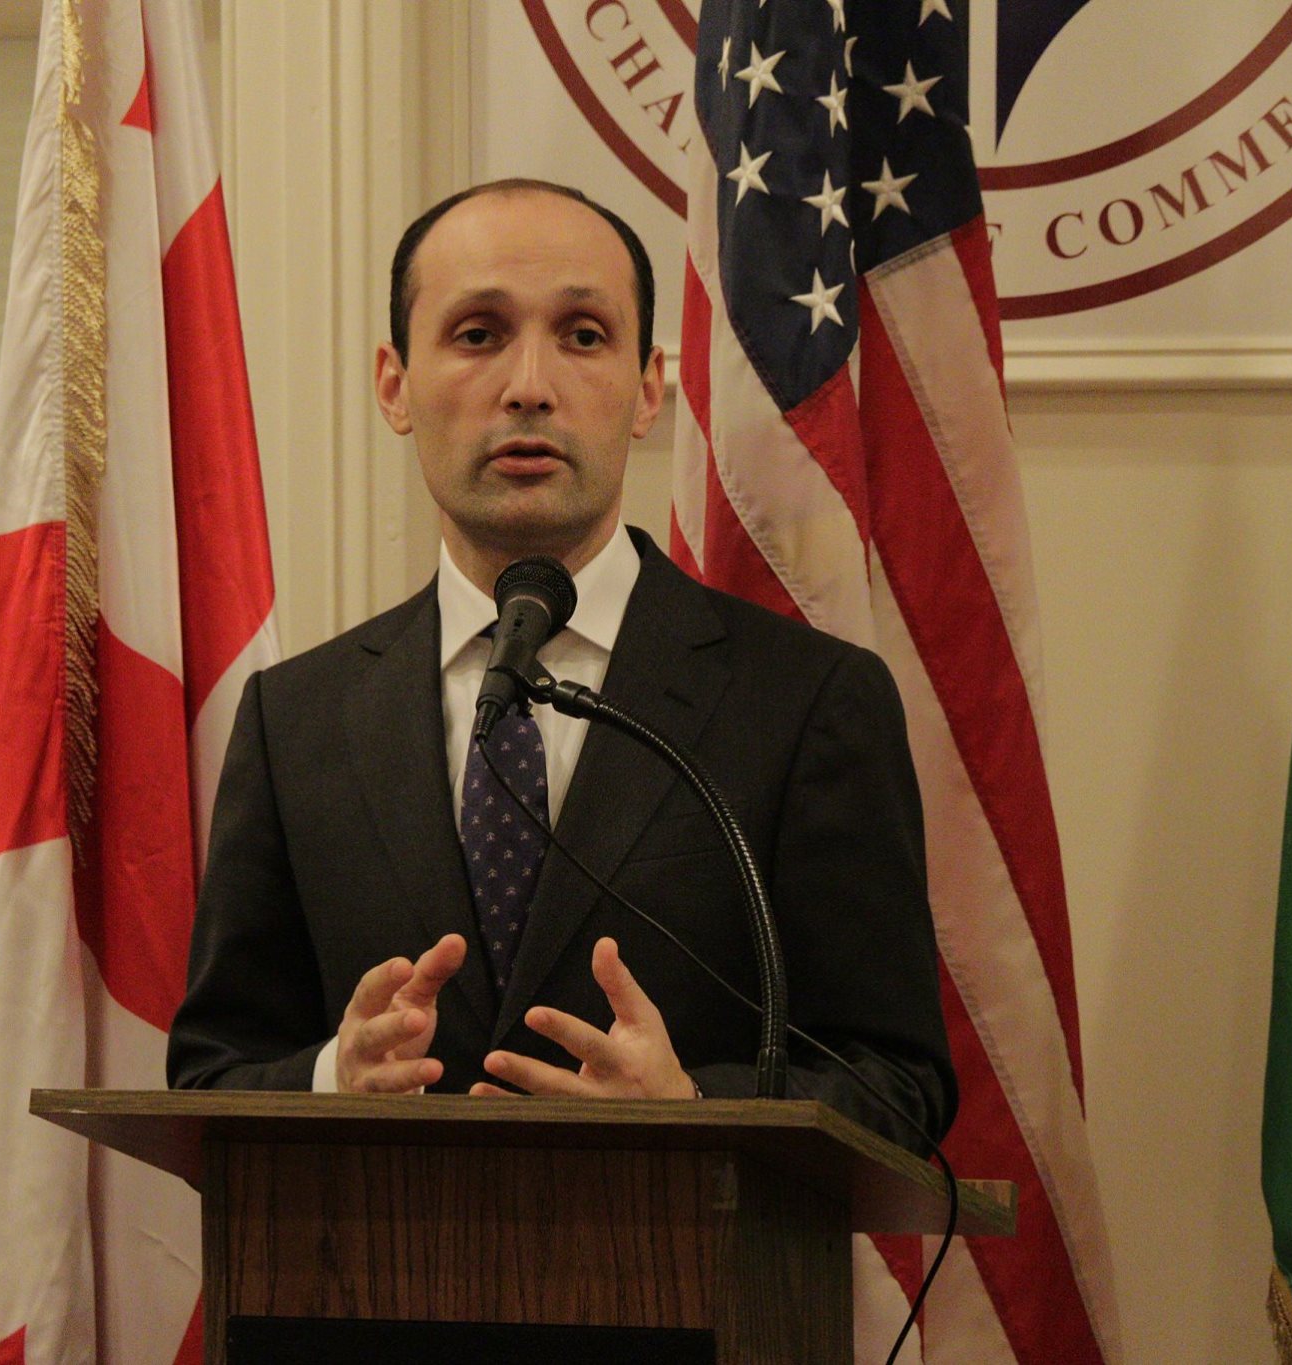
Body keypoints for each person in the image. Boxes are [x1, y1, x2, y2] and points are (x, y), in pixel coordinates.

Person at [166, 179, 956, 1151]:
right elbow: (212, 1070)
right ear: (394, 385)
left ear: (648, 389)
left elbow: (897, 1084)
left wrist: (691, 1110)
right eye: (477, 334)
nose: (529, 386)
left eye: (583, 336)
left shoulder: (808, 700)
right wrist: (336, 1077)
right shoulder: (295, 719)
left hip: (690, 1248)